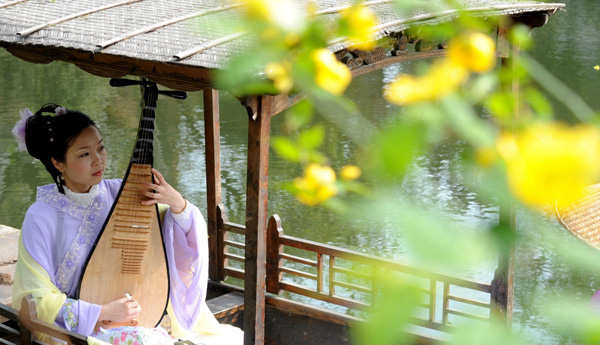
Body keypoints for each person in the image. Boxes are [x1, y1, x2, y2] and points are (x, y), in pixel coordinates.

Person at [11, 104, 211, 345]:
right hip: (77, 333)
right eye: (84, 154)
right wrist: (102, 312)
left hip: (138, 317)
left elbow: (172, 238)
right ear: (58, 163)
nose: (98, 160)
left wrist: (178, 205)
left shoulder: (123, 193)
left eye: (101, 148)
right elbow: (37, 299)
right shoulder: (40, 216)